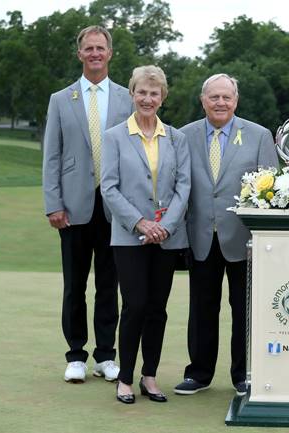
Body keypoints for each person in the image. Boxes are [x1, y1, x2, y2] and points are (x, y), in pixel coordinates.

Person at [174, 74, 279, 397]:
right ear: (203, 100)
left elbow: (270, 190)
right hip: (201, 236)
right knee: (202, 308)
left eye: (226, 97)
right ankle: (199, 373)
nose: (220, 103)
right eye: (214, 97)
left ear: (236, 100)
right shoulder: (182, 136)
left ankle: (244, 375)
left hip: (244, 241)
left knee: (244, 309)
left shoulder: (260, 136)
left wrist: (259, 239)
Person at [43, 25, 132, 383]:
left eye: (101, 48)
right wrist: (53, 204)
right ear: (79, 54)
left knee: (109, 285)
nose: (95, 53)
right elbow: (52, 155)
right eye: (88, 48)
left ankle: (106, 356)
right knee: (74, 285)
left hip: (115, 207)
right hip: (74, 206)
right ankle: (76, 354)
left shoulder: (128, 98)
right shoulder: (61, 99)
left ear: (110, 53)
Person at [101, 65, 190, 404]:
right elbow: (109, 188)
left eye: (154, 93)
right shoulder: (113, 137)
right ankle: (125, 378)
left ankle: (149, 377)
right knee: (134, 305)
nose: (148, 98)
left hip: (167, 237)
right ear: (132, 94)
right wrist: (140, 223)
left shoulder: (177, 138)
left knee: (157, 308)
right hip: (129, 236)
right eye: (142, 92)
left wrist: (165, 225)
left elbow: (184, 186)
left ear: (162, 98)